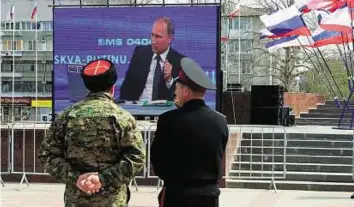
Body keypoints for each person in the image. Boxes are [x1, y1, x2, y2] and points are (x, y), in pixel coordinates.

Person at [38, 59, 146, 207]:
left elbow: (47, 155)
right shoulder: (123, 118)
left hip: (76, 200)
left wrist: (76, 178)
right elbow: (137, 157)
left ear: (87, 86)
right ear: (113, 88)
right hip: (113, 201)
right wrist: (102, 179)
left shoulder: (65, 116)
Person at [151, 57, 229, 207]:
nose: (175, 94)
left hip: (177, 196)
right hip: (209, 197)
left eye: (177, 89)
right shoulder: (220, 121)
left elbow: (158, 163)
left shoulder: (168, 120)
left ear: (186, 91)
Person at [119, 17, 185, 102]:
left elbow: (179, 98)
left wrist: (169, 79)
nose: (153, 41)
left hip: (162, 112)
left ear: (170, 38)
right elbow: (126, 88)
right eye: (152, 35)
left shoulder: (179, 61)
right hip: (137, 109)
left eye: (158, 37)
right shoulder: (140, 53)